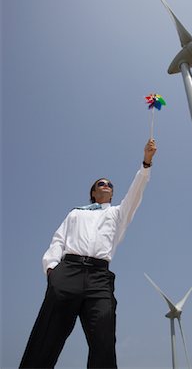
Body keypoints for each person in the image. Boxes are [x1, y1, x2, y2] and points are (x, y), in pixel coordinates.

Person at [19, 138, 157, 369]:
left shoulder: (118, 214)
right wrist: (52, 270)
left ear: (112, 195)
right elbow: (58, 240)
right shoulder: (75, 213)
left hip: (99, 277)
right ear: (93, 193)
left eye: (110, 184)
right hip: (67, 272)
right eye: (101, 183)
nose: (106, 185)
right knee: (47, 335)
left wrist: (146, 162)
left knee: (103, 337)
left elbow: (136, 193)